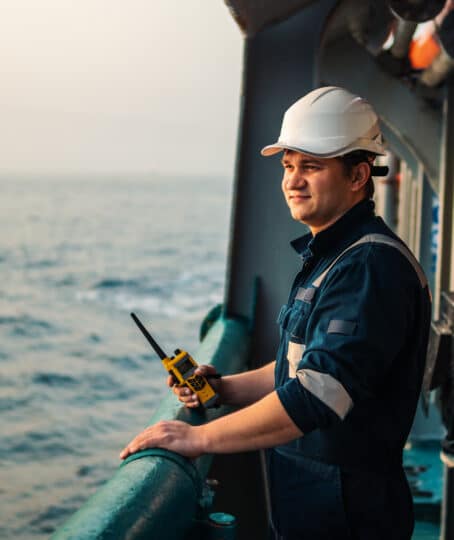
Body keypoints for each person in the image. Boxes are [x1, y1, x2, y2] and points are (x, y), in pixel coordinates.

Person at [120, 86, 432, 540]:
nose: (292, 180)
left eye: (312, 166)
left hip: (349, 514)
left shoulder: (370, 266)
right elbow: (299, 367)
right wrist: (224, 388)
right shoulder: (334, 256)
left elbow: (317, 395)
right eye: (288, 166)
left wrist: (196, 439)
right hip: (315, 503)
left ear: (358, 175)